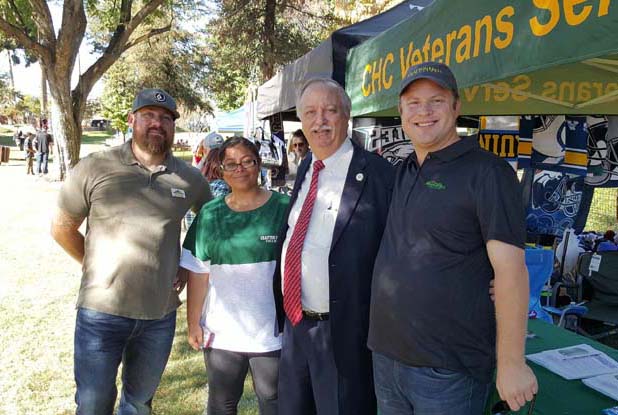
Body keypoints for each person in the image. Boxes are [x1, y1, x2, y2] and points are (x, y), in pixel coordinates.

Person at [369, 62, 538, 415]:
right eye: (413, 103)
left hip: (448, 370)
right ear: (400, 112)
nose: (424, 112)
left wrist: (511, 363)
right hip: (387, 357)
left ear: (457, 107)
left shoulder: (488, 173)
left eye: (436, 101)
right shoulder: (403, 171)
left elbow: (511, 272)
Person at [50, 88, 212, 415]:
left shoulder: (190, 178)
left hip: (159, 316)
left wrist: (185, 263)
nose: (158, 123)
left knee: (138, 405)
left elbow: (210, 222)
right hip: (101, 312)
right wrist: (92, 264)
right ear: (132, 119)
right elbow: (62, 228)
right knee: (93, 404)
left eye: (166, 118)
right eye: (149, 115)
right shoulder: (95, 167)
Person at [273, 78, 395, 415]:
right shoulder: (306, 169)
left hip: (343, 333)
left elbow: (401, 248)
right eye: (310, 112)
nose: (320, 120)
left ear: (347, 116)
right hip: (296, 325)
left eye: (330, 110)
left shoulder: (379, 175)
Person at [181, 137, 288, 415]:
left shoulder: (284, 208)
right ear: (221, 170)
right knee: (221, 404)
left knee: (274, 400)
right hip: (222, 332)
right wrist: (194, 322)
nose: (239, 169)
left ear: (259, 164)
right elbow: (198, 271)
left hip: (271, 333)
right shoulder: (210, 214)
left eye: (247, 161)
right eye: (231, 164)